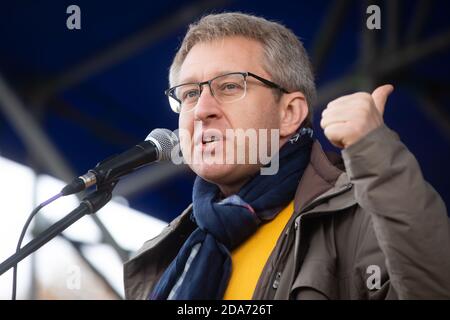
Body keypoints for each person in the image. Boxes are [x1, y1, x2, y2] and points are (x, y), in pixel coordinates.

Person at [123, 12, 450, 300]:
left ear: (290, 112)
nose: (202, 110)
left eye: (230, 86)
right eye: (191, 93)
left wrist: (377, 155)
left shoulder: (360, 215)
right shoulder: (167, 254)